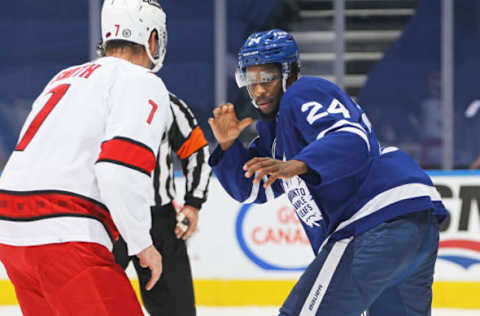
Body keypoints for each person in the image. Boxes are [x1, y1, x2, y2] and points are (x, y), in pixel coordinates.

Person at [208, 29, 448, 316]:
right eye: (251, 79)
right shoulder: (277, 136)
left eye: (267, 77)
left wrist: (297, 164)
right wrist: (229, 147)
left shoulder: (303, 92)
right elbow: (252, 189)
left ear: (290, 73)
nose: (258, 89)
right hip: (414, 225)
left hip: (374, 221)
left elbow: (352, 138)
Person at [0, 1, 170, 315]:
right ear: (153, 38)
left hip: (11, 234)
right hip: (66, 235)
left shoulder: (64, 77)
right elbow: (118, 169)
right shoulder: (143, 82)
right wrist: (142, 244)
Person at [113, 92, 212, 316]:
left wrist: (193, 203)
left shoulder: (166, 103)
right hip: (106, 220)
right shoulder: (91, 98)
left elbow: (196, 151)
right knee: (88, 305)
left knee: (178, 311)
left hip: (160, 221)